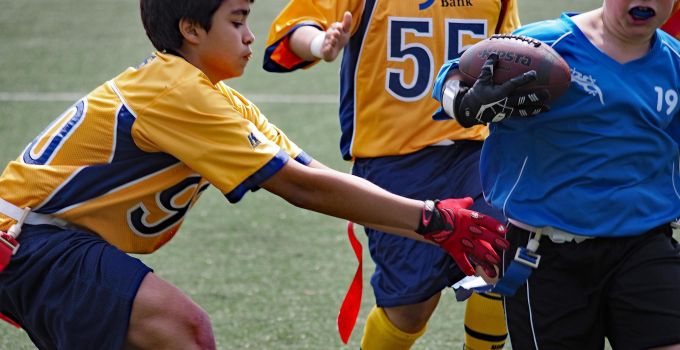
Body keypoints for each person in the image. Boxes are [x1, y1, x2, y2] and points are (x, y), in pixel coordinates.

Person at [0, 0, 510, 349]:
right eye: (238, 20)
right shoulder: (177, 92)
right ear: (191, 28)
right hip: (32, 241)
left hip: (50, 245)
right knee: (185, 331)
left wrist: (436, 223)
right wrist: (431, 219)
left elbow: (310, 172)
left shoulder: (217, 98)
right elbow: (299, 188)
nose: (249, 36)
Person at [263, 1, 548, 349]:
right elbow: (294, 28)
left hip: (475, 150)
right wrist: (318, 43)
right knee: (410, 308)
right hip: (393, 159)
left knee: (502, 256)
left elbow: (510, 50)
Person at [432, 0, 680, 348]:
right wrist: (464, 102)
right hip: (546, 253)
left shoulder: (674, 63)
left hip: (645, 246)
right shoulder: (547, 45)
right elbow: (451, 76)